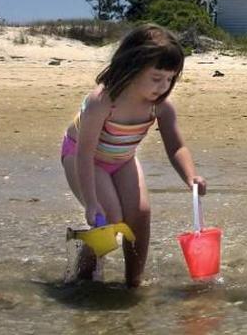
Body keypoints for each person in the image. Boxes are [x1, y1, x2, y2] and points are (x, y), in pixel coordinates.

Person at [60, 23, 207, 287]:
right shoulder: (103, 100)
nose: (163, 86)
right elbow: (84, 153)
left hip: (122, 159)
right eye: (156, 78)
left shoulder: (160, 107)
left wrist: (190, 176)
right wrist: (91, 203)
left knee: (140, 212)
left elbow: (176, 147)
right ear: (132, 68)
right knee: (110, 217)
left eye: (170, 79)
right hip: (84, 158)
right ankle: (81, 278)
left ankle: (133, 281)